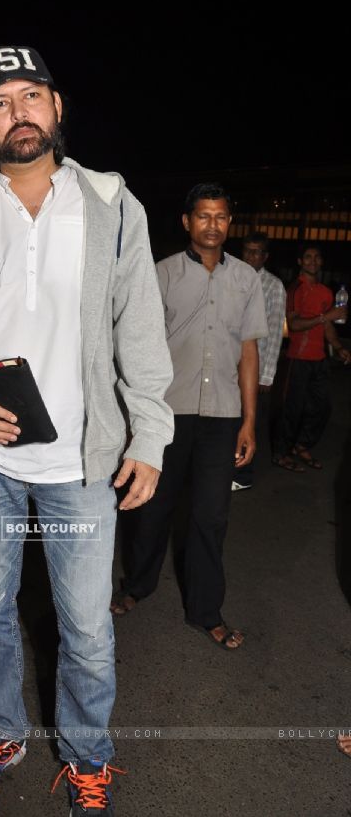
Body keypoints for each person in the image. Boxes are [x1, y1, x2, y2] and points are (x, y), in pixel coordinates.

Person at [0, 44, 174, 813]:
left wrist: (149, 434)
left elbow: (140, 329)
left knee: (85, 626)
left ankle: (88, 753)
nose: (17, 111)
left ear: (57, 107)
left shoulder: (112, 206)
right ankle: (2, 731)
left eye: (30, 95)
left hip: (82, 465)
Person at [111, 183, 268, 651]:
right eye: (203, 216)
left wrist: (248, 422)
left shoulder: (247, 279)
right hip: (166, 412)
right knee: (152, 506)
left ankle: (206, 611)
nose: (213, 225)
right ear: (187, 221)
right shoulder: (160, 275)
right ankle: (137, 585)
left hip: (222, 416)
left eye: (221, 217)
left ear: (229, 223)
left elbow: (249, 352)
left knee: (210, 516)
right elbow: (138, 347)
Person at [272, 244, 350, 471]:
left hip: (319, 360)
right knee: (291, 409)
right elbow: (294, 325)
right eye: (308, 257)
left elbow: (327, 327)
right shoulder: (295, 289)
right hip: (298, 360)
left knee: (321, 408)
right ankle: (281, 453)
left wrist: (338, 347)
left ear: (322, 262)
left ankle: (301, 445)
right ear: (300, 262)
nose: (313, 261)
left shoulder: (325, 292)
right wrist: (326, 316)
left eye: (317, 257)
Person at [232, 232, 286, 490]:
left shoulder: (273, 286)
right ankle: (227, 469)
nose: (252, 256)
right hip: (229, 367)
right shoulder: (231, 276)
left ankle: (243, 476)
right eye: (248, 251)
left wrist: (266, 376)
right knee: (229, 422)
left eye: (257, 252)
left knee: (249, 422)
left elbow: (275, 332)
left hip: (256, 369)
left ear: (265, 256)